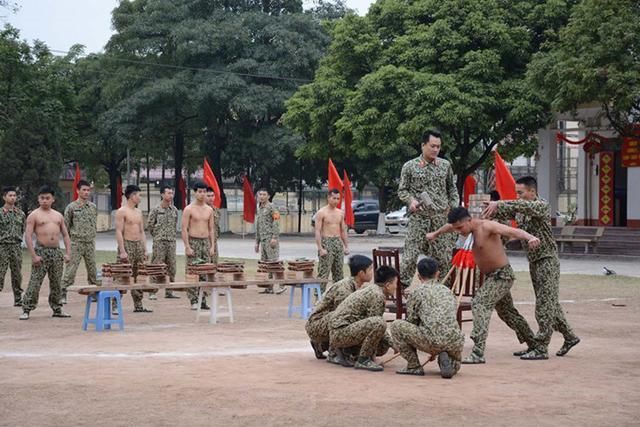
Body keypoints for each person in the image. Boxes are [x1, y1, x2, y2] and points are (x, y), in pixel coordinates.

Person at [482, 176, 580, 359]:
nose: (518, 196)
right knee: (550, 302)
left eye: (520, 193)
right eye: (516, 193)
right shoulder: (520, 208)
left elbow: (520, 207)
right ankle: (570, 336)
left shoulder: (541, 205)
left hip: (547, 260)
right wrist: (488, 209)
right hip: (534, 261)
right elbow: (505, 213)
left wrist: (500, 204)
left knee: (544, 304)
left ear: (532, 192)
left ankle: (541, 347)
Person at [427, 207, 540, 364]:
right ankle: (535, 344)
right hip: (491, 277)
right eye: (456, 228)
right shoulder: (461, 228)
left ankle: (478, 351)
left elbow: (513, 231)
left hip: (502, 275)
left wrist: (530, 237)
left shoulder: (487, 226)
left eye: (460, 227)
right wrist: (435, 234)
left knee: (479, 303)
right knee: (508, 313)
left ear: (469, 220)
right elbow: (448, 227)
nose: (458, 231)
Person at [397, 129, 459, 288]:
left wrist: (453, 208)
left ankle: (444, 292)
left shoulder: (445, 166)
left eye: (438, 147)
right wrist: (410, 201)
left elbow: (452, 189)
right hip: (419, 218)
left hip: (440, 219)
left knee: (443, 259)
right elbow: (402, 190)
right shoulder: (410, 166)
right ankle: (401, 291)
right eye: (432, 146)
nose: (436, 150)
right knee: (410, 257)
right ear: (423, 145)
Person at [390, 257, 464, 378]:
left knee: (396, 326)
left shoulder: (417, 293)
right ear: (437, 273)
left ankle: (414, 366)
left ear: (418, 276)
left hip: (432, 340)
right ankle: (447, 359)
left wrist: (430, 346)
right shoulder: (448, 291)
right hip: (455, 341)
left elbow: (411, 321)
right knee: (453, 366)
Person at [328, 265, 399, 372]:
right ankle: (364, 360)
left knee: (383, 344)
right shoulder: (377, 295)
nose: (396, 287)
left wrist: (391, 343)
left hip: (340, 331)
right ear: (388, 285)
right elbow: (376, 324)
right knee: (379, 324)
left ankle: (348, 351)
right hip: (340, 333)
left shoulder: (372, 289)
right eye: (395, 283)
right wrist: (394, 344)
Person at [305, 255, 373, 359]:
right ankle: (334, 352)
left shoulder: (358, 286)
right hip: (316, 324)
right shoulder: (344, 288)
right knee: (346, 316)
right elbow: (340, 318)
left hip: (325, 322)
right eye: (370, 269)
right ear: (361, 273)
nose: (372, 272)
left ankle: (322, 345)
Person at [20, 186, 71, 320]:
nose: (44, 200)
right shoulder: (34, 215)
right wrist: (34, 255)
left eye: (47, 198)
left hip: (56, 252)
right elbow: (28, 236)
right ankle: (26, 309)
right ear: (38, 199)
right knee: (35, 282)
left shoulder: (58, 215)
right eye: (42, 198)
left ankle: (57, 308)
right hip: (41, 251)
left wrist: (68, 253)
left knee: (56, 282)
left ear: (53, 199)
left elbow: (65, 235)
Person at [115, 184, 152, 313]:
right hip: (127, 244)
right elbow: (119, 231)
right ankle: (114, 304)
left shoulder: (138, 212)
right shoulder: (122, 211)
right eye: (138, 195)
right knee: (122, 274)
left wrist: (145, 249)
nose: (140, 198)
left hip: (138, 246)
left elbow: (142, 232)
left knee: (138, 274)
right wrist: (122, 250)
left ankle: (138, 304)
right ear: (131, 196)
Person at [61, 180, 98, 304]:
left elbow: (94, 224)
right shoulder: (71, 207)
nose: (87, 192)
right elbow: (65, 226)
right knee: (71, 270)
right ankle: (62, 294)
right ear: (77, 191)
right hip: (76, 243)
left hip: (90, 243)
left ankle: (94, 293)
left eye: (88, 190)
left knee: (92, 270)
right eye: (84, 190)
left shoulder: (93, 207)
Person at [182, 182, 216, 310]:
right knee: (192, 272)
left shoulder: (209, 210)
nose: (202, 194)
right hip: (193, 241)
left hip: (205, 242)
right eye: (200, 192)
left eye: (204, 192)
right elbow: (184, 229)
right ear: (195, 192)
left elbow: (211, 229)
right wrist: (187, 246)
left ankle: (203, 300)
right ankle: (193, 300)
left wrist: (212, 246)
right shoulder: (189, 209)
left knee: (204, 271)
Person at [146, 186, 179, 300]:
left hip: (171, 242)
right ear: (162, 195)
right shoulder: (156, 209)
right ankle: (152, 291)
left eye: (172, 193)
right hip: (159, 242)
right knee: (156, 266)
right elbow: (150, 225)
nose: (171, 195)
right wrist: (157, 235)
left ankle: (169, 291)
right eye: (168, 193)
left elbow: (175, 225)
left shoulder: (174, 210)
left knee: (172, 267)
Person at [315, 189, 349, 290]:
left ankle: (338, 296)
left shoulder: (340, 213)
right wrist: (320, 248)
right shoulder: (321, 212)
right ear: (328, 198)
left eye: (338, 199)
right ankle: (319, 297)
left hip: (337, 242)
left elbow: (343, 231)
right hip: (326, 241)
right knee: (323, 272)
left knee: (339, 272)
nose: (336, 201)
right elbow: (317, 231)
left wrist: (346, 246)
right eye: (334, 198)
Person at [254, 188, 283, 294]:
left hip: (271, 239)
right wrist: (257, 242)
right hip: (263, 240)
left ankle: (281, 285)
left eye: (264, 194)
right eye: (260, 194)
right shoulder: (260, 208)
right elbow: (258, 226)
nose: (261, 196)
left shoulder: (272, 207)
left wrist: (274, 237)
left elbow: (276, 221)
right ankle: (269, 286)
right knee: (266, 264)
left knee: (274, 263)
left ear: (268, 196)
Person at [0, 186, 25, 306]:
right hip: (2, 246)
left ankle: (18, 299)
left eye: (14, 195)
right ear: (4, 197)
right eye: (10, 195)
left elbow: (23, 229)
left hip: (16, 246)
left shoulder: (20, 213)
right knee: (0, 273)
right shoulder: (0, 213)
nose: (13, 198)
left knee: (17, 274)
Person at [205, 187, 220, 265]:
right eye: (208, 196)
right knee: (205, 266)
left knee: (214, 266)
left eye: (212, 195)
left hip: (214, 242)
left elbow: (217, 227)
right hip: (204, 242)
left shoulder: (216, 211)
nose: (211, 198)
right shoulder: (201, 210)